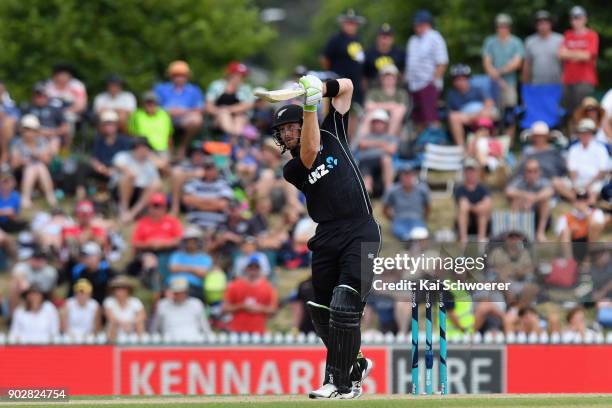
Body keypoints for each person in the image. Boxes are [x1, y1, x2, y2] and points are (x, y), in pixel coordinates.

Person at [273, 75, 380, 398]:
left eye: (292, 127)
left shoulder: (334, 129)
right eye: (284, 131)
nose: (288, 134)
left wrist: (321, 87)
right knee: (322, 311)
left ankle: (339, 383)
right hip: (326, 237)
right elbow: (309, 153)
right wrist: (308, 106)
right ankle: (356, 364)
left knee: (345, 301)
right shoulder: (292, 169)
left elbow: (347, 86)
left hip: (361, 229)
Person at [405, 9, 448, 129]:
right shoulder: (413, 40)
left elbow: (442, 62)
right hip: (413, 85)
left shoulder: (435, 37)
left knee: (431, 116)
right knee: (418, 117)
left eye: (421, 24)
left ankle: (436, 140)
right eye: (416, 24)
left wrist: (433, 82)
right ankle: (422, 142)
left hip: (428, 83)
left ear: (428, 24)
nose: (418, 27)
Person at [130, 192, 183, 289]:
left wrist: (164, 243)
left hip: (168, 250)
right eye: (154, 206)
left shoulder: (172, 221)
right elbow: (135, 243)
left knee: (169, 261)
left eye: (159, 206)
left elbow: (180, 239)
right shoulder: (143, 223)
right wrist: (149, 244)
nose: (156, 210)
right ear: (149, 208)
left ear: (165, 208)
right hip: (148, 251)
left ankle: (168, 287)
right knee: (150, 260)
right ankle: (153, 287)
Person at [482, 13, 524, 134]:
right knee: (493, 113)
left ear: (509, 27)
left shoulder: (516, 42)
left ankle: (508, 144)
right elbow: (487, 63)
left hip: (509, 83)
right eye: (500, 26)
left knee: (510, 115)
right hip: (493, 83)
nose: (502, 29)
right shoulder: (490, 42)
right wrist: (498, 78)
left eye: (505, 26)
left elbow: (517, 63)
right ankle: (493, 142)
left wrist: (499, 71)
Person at [76, 109, 132, 199]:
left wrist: (113, 170)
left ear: (116, 125)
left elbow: (127, 160)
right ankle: (80, 196)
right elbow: (94, 157)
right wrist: (99, 167)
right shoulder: (98, 139)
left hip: (117, 172)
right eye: (106, 124)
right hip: (101, 170)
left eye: (111, 124)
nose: (108, 127)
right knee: (83, 166)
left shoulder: (124, 140)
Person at [154, 61, 204, 158]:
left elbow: (200, 108)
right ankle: (168, 151)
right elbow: (153, 105)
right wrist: (166, 111)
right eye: (176, 75)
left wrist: (183, 111)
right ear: (171, 76)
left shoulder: (194, 90)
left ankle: (183, 147)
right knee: (161, 121)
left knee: (197, 120)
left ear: (187, 77)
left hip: (184, 118)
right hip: (164, 117)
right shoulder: (161, 88)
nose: (179, 78)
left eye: (182, 75)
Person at [320, 9, 366, 106]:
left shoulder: (359, 40)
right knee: (338, 108)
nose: (351, 26)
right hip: (339, 81)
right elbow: (325, 58)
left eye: (353, 23)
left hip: (355, 82)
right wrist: (332, 74)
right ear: (343, 24)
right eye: (348, 23)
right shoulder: (336, 39)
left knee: (355, 108)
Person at [10, 114, 57, 208]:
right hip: (21, 173)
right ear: (22, 130)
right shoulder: (17, 143)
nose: (29, 132)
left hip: (41, 171)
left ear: (36, 131)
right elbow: (14, 165)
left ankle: (48, 196)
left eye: (32, 129)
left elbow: (48, 161)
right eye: (26, 129)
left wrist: (37, 155)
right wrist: (24, 161)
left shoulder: (42, 141)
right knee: (33, 167)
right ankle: (29, 197)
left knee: (39, 166)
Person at [516, 121, 571, 200]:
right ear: (534, 137)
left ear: (546, 137)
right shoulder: (528, 151)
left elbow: (561, 168)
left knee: (556, 182)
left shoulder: (553, 151)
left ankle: (579, 201)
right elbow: (522, 169)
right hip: (532, 180)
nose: (539, 138)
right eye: (537, 136)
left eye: (542, 136)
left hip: (552, 180)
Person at [559, 6, 599, 116]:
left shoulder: (592, 35)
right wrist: (579, 54)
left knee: (584, 110)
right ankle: (572, 133)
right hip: (568, 80)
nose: (575, 20)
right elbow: (561, 54)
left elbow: (587, 56)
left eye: (578, 17)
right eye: (573, 18)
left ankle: (586, 132)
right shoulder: (568, 34)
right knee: (569, 112)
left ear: (585, 19)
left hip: (585, 80)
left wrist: (570, 53)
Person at [222, 257, 278, 334]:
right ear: (246, 268)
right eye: (251, 267)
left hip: (259, 331)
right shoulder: (235, 285)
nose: (253, 270)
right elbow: (225, 308)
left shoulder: (268, 287)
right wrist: (242, 306)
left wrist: (260, 308)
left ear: (260, 269)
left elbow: (273, 310)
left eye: (256, 267)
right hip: (237, 330)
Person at [112, 137, 162, 222]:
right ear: (134, 148)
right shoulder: (124, 156)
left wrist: (154, 158)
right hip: (121, 191)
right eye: (140, 147)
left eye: (145, 147)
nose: (142, 150)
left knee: (156, 184)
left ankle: (133, 213)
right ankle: (124, 210)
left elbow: (158, 177)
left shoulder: (149, 163)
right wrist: (129, 172)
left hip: (140, 193)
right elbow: (118, 165)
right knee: (128, 177)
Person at [447, 64, 496, 146]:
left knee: (487, 113)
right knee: (453, 117)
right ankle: (461, 147)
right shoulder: (452, 94)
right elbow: (452, 112)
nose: (460, 82)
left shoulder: (477, 89)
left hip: (480, 114)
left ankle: (480, 144)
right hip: (465, 116)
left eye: (463, 79)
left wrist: (476, 115)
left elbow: (489, 102)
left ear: (468, 79)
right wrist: (470, 117)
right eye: (457, 80)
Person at [506, 159, 554, 242]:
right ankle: (519, 234)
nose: (532, 174)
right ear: (525, 172)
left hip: (540, 218)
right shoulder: (520, 181)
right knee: (516, 201)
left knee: (545, 202)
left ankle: (540, 233)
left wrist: (534, 198)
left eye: (535, 171)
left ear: (539, 172)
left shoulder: (543, 181)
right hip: (523, 215)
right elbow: (508, 191)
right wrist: (526, 195)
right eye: (529, 171)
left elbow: (549, 191)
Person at [182, 156, 234, 231]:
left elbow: (222, 205)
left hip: (217, 227)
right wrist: (213, 202)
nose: (209, 171)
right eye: (207, 168)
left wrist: (198, 203)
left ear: (216, 169)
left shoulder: (223, 184)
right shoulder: (193, 183)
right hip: (195, 225)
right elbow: (187, 200)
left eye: (211, 168)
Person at [205, 61, 255, 139]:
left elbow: (247, 105)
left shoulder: (245, 89)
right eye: (238, 75)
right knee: (224, 115)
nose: (241, 78)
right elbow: (209, 106)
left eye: (242, 76)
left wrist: (227, 109)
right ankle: (233, 138)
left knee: (239, 118)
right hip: (218, 117)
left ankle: (232, 140)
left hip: (238, 117)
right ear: (230, 74)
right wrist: (220, 111)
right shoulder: (217, 85)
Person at [566, 118, 609, 202]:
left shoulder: (600, 149)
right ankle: (579, 203)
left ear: (591, 134)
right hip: (578, 181)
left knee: (593, 192)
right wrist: (575, 185)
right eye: (582, 132)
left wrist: (589, 184)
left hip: (595, 181)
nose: (584, 135)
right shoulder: (573, 149)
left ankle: (584, 206)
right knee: (558, 183)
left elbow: (602, 171)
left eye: (587, 132)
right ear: (578, 134)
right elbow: (572, 171)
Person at [357, 108, 398, 194]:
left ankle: (388, 191)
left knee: (386, 159)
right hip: (366, 161)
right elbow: (361, 144)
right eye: (376, 122)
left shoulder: (390, 137)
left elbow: (392, 149)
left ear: (386, 124)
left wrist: (371, 145)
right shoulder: (366, 135)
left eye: (380, 122)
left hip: (382, 163)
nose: (378, 125)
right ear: (372, 124)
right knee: (366, 175)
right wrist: (382, 144)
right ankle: (368, 194)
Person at [383, 166, 430, 241]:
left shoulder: (422, 190)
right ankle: (408, 240)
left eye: (410, 175)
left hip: (416, 218)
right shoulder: (393, 191)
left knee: (421, 233)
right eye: (405, 175)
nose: (407, 178)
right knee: (401, 232)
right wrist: (392, 219)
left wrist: (423, 218)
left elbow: (427, 206)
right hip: (400, 219)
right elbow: (385, 207)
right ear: (400, 177)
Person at [128, 91, 173, 169]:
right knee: (159, 165)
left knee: (164, 165)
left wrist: (170, 152)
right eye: (148, 102)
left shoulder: (164, 115)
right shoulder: (137, 115)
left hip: (161, 149)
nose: (150, 105)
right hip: (144, 148)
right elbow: (132, 134)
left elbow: (169, 136)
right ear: (143, 104)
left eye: (153, 102)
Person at [20, 82, 68, 155]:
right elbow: (21, 126)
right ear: (33, 96)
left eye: (42, 95)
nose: (40, 98)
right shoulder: (27, 108)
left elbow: (65, 127)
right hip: (32, 136)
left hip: (51, 136)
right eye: (37, 96)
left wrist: (52, 132)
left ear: (47, 96)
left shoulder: (55, 109)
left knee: (54, 142)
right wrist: (37, 132)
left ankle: (54, 163)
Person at [168, 225, 213, 301]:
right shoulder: (177, 255)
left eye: (193, 240)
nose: (190, 243)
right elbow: (173, 268)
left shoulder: (205, 258)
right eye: (188, 240)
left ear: (198, 241)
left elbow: (203, 273)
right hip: (174, 286)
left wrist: (182, 268)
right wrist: (194, 269)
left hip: (194, 288)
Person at [363, 64, 410, 136]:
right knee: (368, 116)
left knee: (398, 111)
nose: (389, 80)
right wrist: (390, 105)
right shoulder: (374, 91)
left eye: (392, 78)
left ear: (396, 79)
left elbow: (402, 108)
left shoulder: (401, 93)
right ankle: (363, 141)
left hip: (394, 120)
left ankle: (389, 139)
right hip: (376, 118)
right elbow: (368, 106)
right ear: (381, 79)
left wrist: (379, 106)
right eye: (386, 77)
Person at [44, 63, 87, 140]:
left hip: (70, 112)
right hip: (52, 112)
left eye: (65, 75)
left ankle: (65, 149)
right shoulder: (48, 85)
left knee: (68, 119)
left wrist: (63, 112)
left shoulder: (77, 86)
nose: (63, 77)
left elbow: (81, 105)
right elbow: (44, 102)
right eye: (60, 74)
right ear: (55, 76)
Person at [454, 158, 492, 243]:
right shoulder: (460, 189)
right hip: (466, 221)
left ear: (477, 172)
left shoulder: (483, 188)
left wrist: (471, 207)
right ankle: (464, 241)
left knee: (482, 212)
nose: (470, 174)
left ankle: (481, 241)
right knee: (463, 211)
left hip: (481, 221)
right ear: (464, 172)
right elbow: (462, 205)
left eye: (472, 171)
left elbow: (487, 206)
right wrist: (477, 207)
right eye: (468, 171)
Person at [9, 247, 57, 313]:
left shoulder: (50, 272)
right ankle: (12, 316)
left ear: (45, 260)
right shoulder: (23, 266)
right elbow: (18, 275)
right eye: (35, 258)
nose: (37, 261)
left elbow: (50, 290)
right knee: (14, 287)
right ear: (30, 259)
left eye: (40, 259)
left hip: (43, 294)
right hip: (26, 293)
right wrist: (23, 282)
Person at [522, 10, 563, 85]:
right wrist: (525, 84)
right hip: (536, 84)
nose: (543, 25)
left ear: (551, 24)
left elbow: (566, 63)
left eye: (546, 22)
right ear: (536, 25)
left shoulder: (560, 40)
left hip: (557, 84)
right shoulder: (530, 42)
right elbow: (527, 65)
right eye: (540, 23)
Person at [103, 275, 145, 341]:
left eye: (123, 288)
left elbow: (142, 315)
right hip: (115, 333)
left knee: (140, 323)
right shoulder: (109, 301)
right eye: (118, 288)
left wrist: (131, 323)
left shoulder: (135, 301)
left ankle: (140, 344)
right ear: (114, 290)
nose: (120, 290)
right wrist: (123, 324)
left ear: (128, 290)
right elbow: (110, 316)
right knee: (112, 323)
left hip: (132, 331)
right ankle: (111, 344)